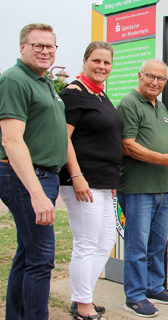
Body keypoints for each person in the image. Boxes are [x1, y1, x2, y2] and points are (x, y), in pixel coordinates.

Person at [117, 59, 168, 317]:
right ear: (140, 75)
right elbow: (127, 145)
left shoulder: (159, 105)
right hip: (138, 187)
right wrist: (164, 160)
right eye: (150, 76)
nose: (155, 82)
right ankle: (135, 296)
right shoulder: (129, 103)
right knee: (137, 245)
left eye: (161, 79)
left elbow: (163, 144)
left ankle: (154, 287)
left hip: (162, 187)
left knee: (157, 243)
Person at [0, 23, 68, 319]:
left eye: (50, 46)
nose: (45, 51)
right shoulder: (14, 79)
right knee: (41, 258)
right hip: (27, 178)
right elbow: (11, 140)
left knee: (28, 254)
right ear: (22, 47)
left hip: (45, 176)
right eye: (37, 45)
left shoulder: (43, 82)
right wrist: (37, 194)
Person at [58, 41, 124, 320]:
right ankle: (83, 305)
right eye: (96, 61)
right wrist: (76, 176)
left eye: (107, 62)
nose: (102, 67)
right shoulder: (73, 93)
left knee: (106, 238)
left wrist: (110, 179)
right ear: (85, 61)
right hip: (81, 181)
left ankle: (81, 295)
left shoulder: (99, 94)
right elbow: (63, 138)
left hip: (102, 181)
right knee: (86, 242)